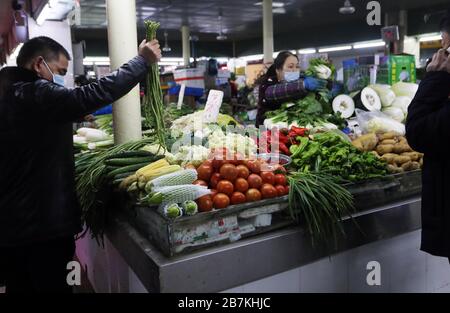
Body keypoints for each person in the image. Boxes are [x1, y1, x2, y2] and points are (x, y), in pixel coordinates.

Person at [0, 36, 161, 293]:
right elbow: (92, 93)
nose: (62, 78)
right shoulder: (33, 90)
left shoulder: (11, 92)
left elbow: (32, 128)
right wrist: (142, 61)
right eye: (61, 71)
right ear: (39, 64)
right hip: (41, 228)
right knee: (55, 286)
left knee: (21, 287)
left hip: (14, 226)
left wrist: (71, 113)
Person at [405, 13, 450, 263]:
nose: (442, 54)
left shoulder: (440, 77)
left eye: (445, 45)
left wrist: (435, 78)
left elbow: (419, 132)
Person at [255, 51, 328, 126]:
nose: (294, 70)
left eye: (297, 66)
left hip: (289, 129)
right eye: (290, 66)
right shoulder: (267, 83)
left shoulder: (300, 80)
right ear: (278, 70)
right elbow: (272, 93)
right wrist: (303, 85)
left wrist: (325, 85)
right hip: (265, 128)